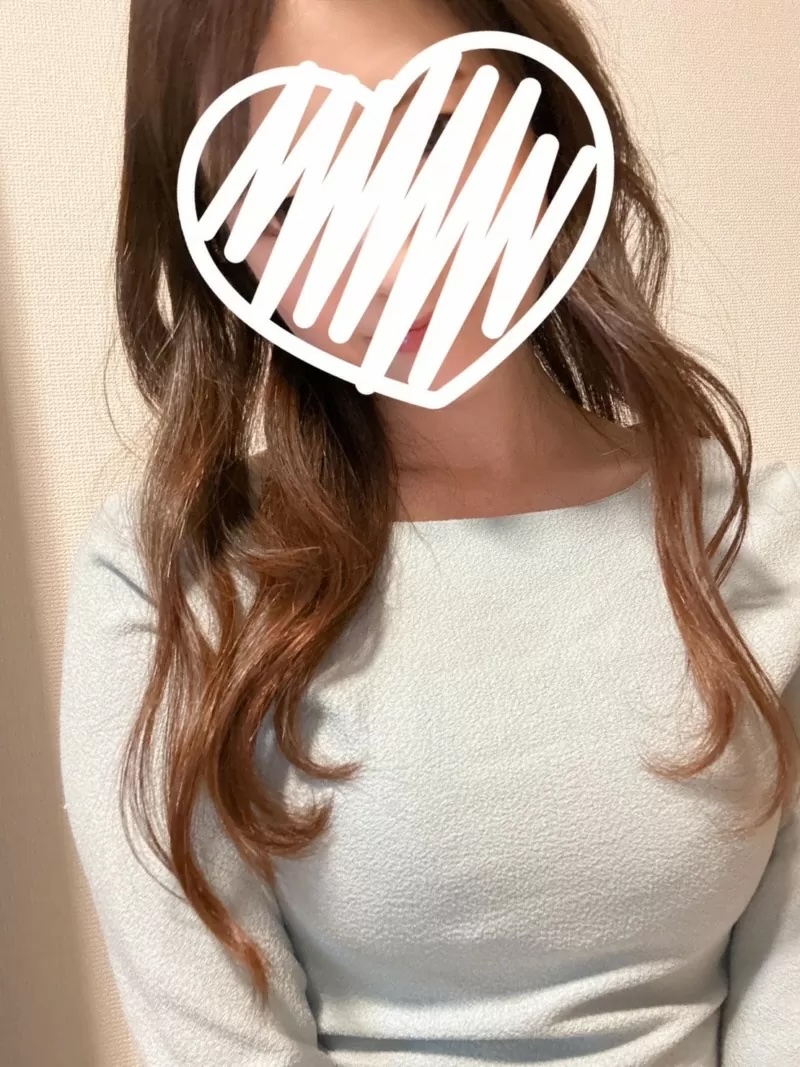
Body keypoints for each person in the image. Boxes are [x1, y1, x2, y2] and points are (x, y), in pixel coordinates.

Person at [59, 0, 800, 1064]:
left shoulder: (763, 543)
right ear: (224, 241)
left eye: (431, 139)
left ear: (540, 113)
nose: (387, 249)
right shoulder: (174, 577)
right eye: (286, 198)